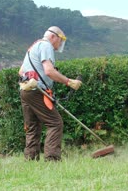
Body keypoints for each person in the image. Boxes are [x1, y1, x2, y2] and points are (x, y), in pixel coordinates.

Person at [18, 26, 82, 161]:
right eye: (60, 41)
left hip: (25, 90)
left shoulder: (33, 47)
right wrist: (69, 82)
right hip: (37, 91)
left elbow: (21, 71)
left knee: (32, 127)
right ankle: (52, 159)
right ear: (53, 37)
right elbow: (49, 71)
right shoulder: (46, 46)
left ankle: (30, 159)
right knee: (55, 123)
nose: (59, 45)